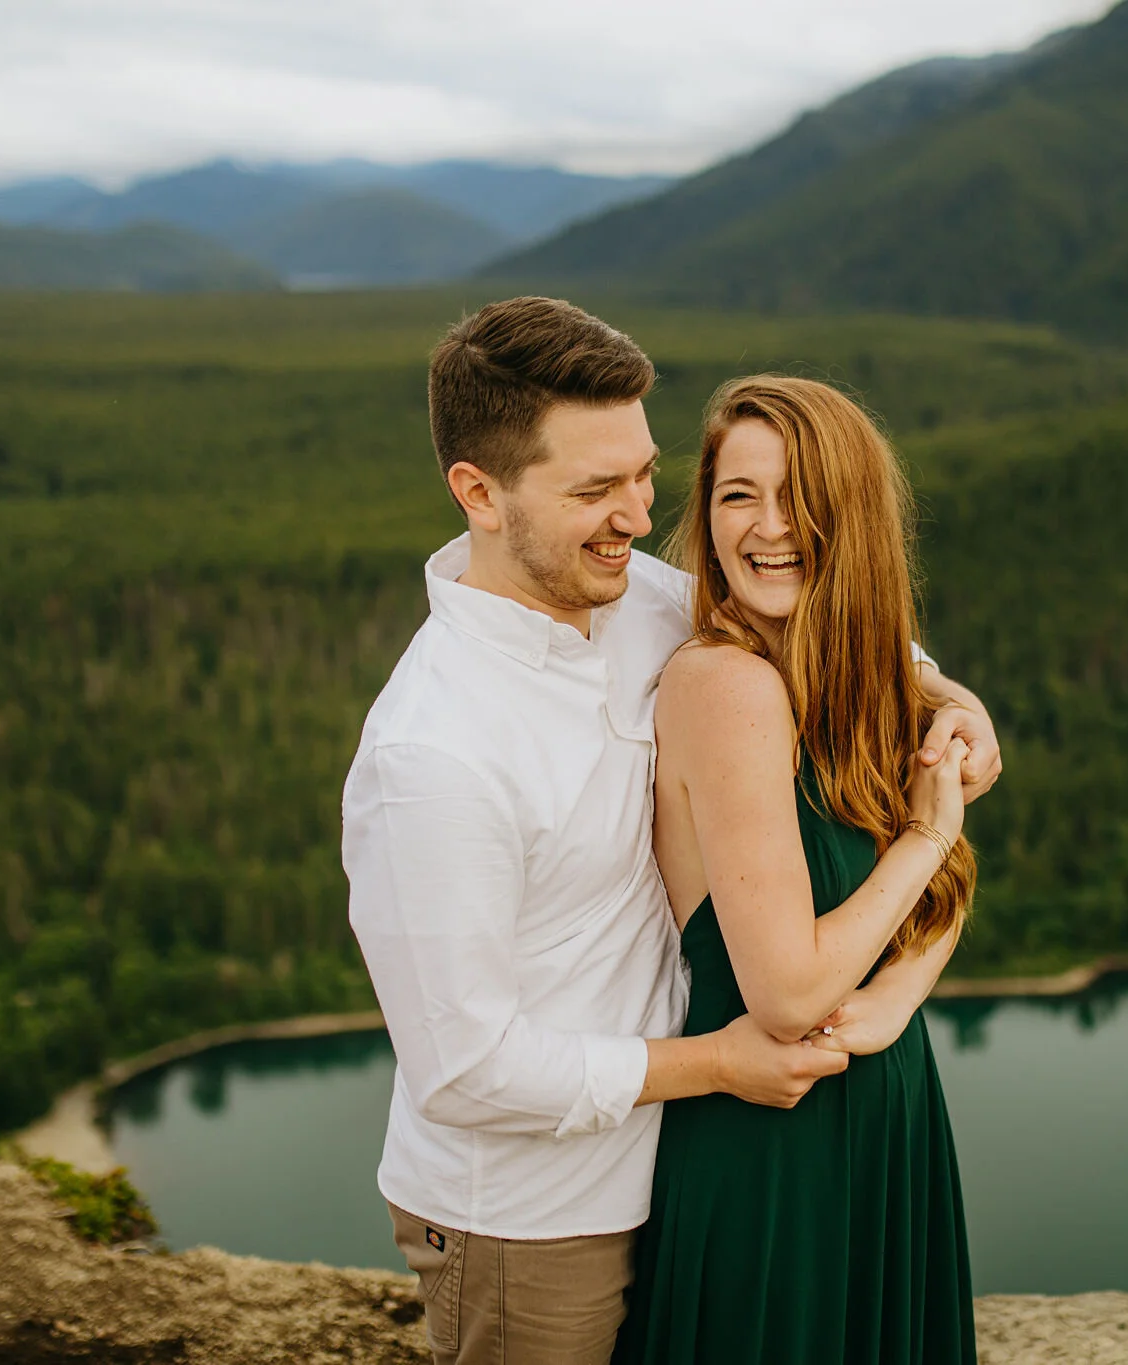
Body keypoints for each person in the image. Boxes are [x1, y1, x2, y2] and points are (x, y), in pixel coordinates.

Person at [342, 298, 999, 1365]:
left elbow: (810, 598)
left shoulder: (635, 592)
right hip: (536, 1219)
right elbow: (464, 1068)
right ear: (479, 493)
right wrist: (715, 1065)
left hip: (686, 1163)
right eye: (594, 490)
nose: (638, 518)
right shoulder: (433, 753)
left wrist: (944, 698)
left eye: (645, 474)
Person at [612, 375, 979, 1365]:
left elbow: (943, 892)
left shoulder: (856, 681)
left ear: (849, 515)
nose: (767, 527)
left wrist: (900, 993)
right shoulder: (722, 683)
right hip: (769, 1146)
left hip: (884, 1111)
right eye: (737, 494)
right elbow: (784, 994)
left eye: (797, 493)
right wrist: (923, 839)